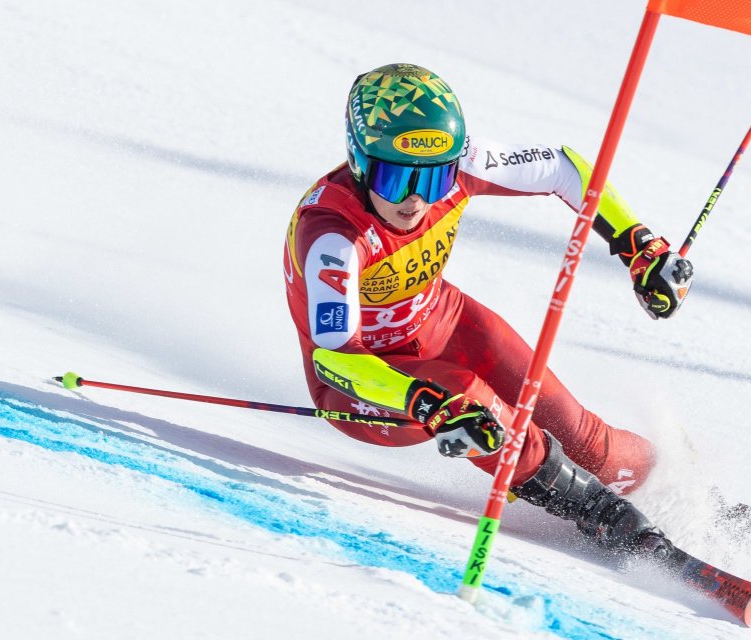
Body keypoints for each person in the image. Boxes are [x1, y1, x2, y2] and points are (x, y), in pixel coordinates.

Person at [283, 63, 695, 554]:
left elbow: (566, 167)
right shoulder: (333, 234)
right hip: (368, 385)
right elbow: (334, 361)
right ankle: (601, 515)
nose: (415, 200)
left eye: (435, 181)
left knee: (575, 428)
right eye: (395, 180)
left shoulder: (464, 164)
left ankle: (681, 494)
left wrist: (639, 245)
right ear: (358, 159)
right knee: (466, 399)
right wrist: (422, 401)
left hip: (441, 320)